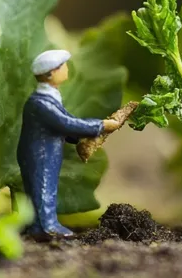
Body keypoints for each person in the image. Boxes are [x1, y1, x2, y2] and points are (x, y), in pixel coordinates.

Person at [17, 49, 121, 238]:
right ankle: (46, 227)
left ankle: (39, 225)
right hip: (40, 153)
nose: (66, 69)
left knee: (45, 187)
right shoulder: (41, 104)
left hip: (47, 151)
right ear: (51, 73)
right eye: (62, 66)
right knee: (43, 187)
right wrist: (100, 126)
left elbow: (66, 119)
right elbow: (65, 123)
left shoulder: (49, 97)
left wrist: (79, 136)